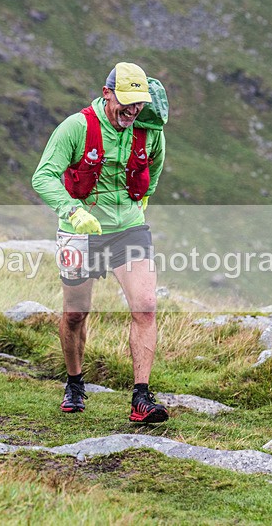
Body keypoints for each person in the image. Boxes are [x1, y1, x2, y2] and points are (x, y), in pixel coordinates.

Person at [31, 62, 168, 423]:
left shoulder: (150, 129)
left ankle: (141, 398)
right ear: (107, 93)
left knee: (146, 306)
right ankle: (75, 383)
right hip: (80, 230)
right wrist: (73, 212)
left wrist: (140, 202)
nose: (133, 109)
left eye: (139, 102)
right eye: (126, 101)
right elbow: (43, 177)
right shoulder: (76, 127)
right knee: (76, 313)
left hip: (129, 229)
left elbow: (153, 170)